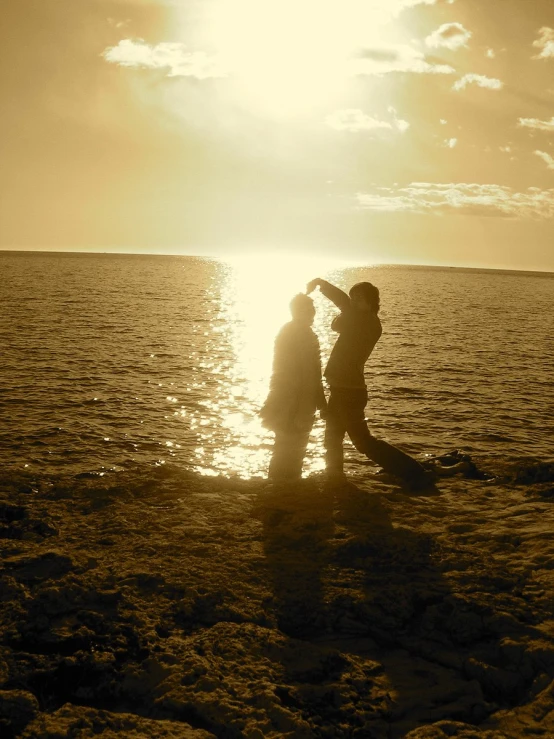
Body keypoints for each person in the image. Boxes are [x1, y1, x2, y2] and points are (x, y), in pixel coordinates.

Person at [306, 277, 433, 488]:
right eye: (353, 297)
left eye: (359, 299)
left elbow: (341, 313)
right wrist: (322, 285)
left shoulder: (368, 322)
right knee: (333, 437)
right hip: (340, 388)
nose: (354, 302)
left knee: (363, 442)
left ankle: (413, 471)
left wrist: (324, 287)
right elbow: (342, 303)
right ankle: (334, 476)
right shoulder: (360, 317)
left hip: (350, 391)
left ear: (371, 302)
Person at [260, 293, 327, 483]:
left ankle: (279, 484)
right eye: (309, 309)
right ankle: (284, 484)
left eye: (313, 309)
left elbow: (311, 371)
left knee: (285, 445)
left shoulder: (289, 330)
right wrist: (317, 401)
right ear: (299, 311)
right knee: (291, 445)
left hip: (288, 396)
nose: (313, 313)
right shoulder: (302, 334)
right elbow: (310, 372)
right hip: (295, 399)